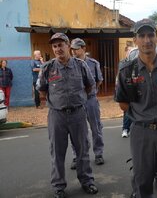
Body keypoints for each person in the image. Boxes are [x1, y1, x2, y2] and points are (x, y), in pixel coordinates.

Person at [115, 19, 157, 198]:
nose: (147, 40)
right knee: (142, 180)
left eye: (150, 35)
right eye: (142, 35)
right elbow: (123, 103)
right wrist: (143, 115)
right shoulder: (127, 70)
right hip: (141, 132)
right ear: (135, 40)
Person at [36, 33, 98, 198]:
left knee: (82, 150)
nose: (57, 49)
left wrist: (77, 100)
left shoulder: (81, 65)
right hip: (57, 116)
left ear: (68, 45)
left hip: (78, 114)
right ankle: (58, 186)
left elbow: (90, 86)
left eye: (60, 45)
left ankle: (87, 181)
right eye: (54, 46)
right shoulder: (48, 68)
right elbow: (42, 90)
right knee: (57, 153)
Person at [70, 38, 105, 169]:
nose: (73, 52)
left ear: (83, 48)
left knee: (96, 127)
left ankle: (98, 154)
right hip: (76, 103)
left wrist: (90, 92)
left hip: (90, 100)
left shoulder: (93, 63)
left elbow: (98, 80)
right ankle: (77, 156)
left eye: (76, 49)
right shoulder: (70, 63)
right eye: (72, 49)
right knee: (76, 131)